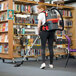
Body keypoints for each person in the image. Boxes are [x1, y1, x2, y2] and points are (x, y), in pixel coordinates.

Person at [37, 5, 55, 69]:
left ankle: (43, 63)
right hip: (52, 31)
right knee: (50, 47)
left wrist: (38, 32)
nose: (37, 11)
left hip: (44, 32)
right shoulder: (50, 13)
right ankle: (51, 64)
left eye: (38, 9)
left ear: (42, 9)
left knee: (43, 47)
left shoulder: (41, 14)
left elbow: (39, 25)